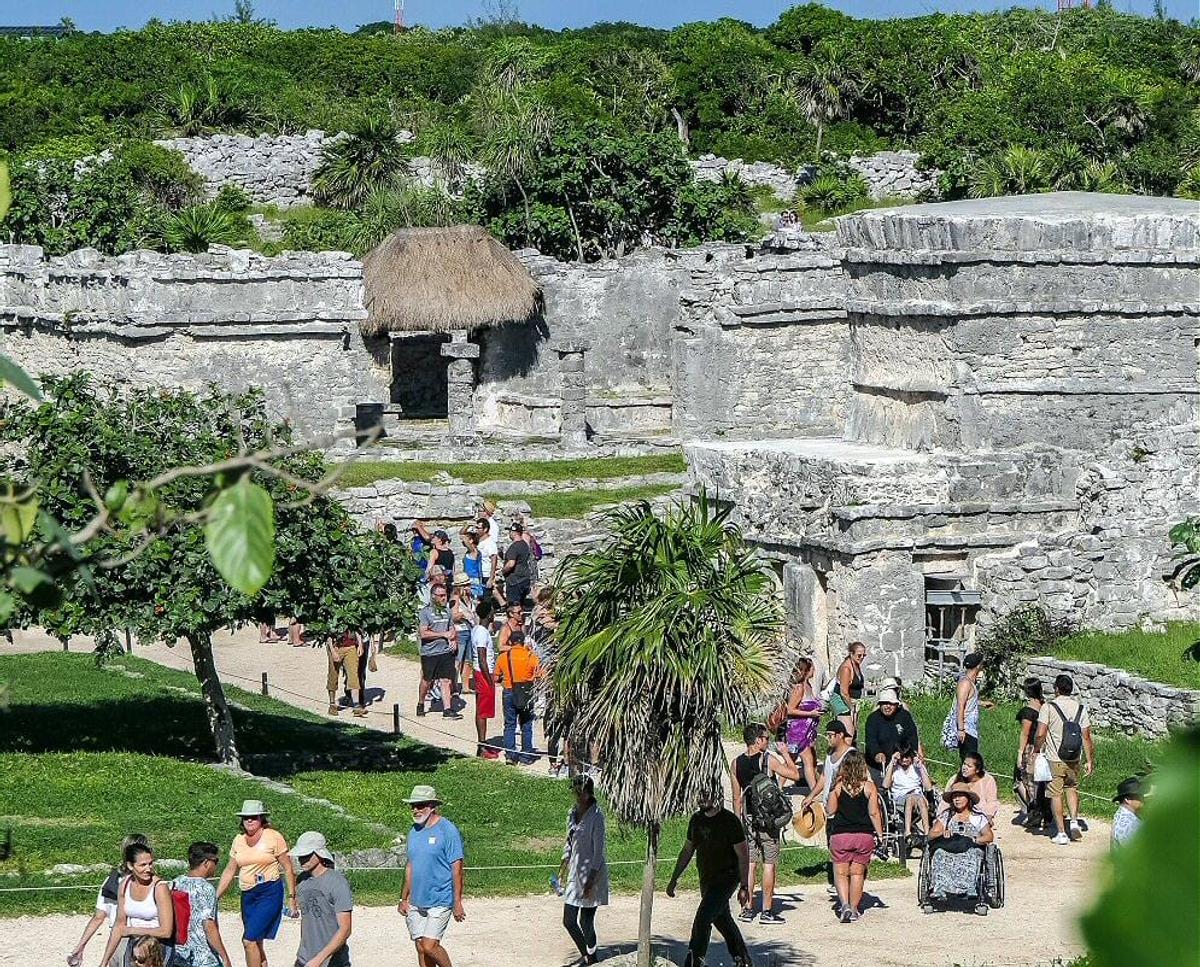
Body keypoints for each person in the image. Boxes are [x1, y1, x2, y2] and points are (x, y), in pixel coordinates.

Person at [666, 787, 752, 967]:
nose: (700, 799)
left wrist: (744, 886)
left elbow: (743, 855)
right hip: (706, 879)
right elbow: (687, 850)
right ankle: (743, 959)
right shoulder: (696, 820)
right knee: (722, 919)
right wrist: (674, 878)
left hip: (727, 878)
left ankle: (694, 961)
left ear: (716, 796)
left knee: (703, 919)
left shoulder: (730, 821)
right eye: (699, 795)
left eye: (705, 795)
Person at [730, 723, 799, 924]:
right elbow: (795, 775)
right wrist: (786, 754)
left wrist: (739, 823)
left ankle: (747, 908)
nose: (768, 742)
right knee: (769, 863)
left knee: (750, 864)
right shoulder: (768, 759)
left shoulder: (736, 764)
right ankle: (767, 911)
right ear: (758, 740)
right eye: (766, 738)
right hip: (768, 819)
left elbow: (736, 798)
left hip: (749, 818)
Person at [217, 801, 298, 967]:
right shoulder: (238, 840)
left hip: (269, 892)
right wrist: (216, 895)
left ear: (262, 818)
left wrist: (291, 897)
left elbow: (288, 868)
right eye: (246, 817)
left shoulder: (274, 837)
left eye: (253, 817)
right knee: (256, 943)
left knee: (249, 940)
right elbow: (230, 870)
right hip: (248, 894)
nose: (249, 821)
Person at [398, 785, 465, 967]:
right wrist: (403, 897)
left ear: (433, 806)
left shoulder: (448, 830)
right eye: (413, 805)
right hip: (416, 900)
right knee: (420, 946)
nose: (416, 809)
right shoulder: (414, 831)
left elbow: (457, 867)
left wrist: (457, 902)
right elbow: (410, 866)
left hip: (440, 898)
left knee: (430, 946)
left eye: (421, 805)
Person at [69, 833, 149, 967]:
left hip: (116, 943)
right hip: (141, 941)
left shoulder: (111, 881)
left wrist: (80, 946)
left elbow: (98, 918)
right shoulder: (152, 884)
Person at [1035, 674, 1095, 845]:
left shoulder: (1048, 707)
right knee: (1072, 788)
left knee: (1055, 793)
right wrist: (1090, 760)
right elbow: (1087, 737)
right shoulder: (1080, 708)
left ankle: (1061, 832)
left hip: (1055, 757)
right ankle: (1074, 821)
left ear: (1056, 689)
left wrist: (1037, 749)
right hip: (1074, 757)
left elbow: (1040, 733)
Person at [827, 750, 884, 923]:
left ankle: (843, 905)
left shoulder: (838, 786)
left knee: (841, 872)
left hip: (841, 834)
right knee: (857, 873)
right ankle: (853, 909)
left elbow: (830, 811)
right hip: (863, 835)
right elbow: (874, 813)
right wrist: (880, 835)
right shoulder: (869, 786)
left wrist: (832, 789)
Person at [800, 720, 855, 897]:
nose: (829, 739)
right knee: (832, 844)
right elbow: (824, 777)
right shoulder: (831, 754)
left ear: (840, 735)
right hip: (829, 807)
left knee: (842, 845)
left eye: (831, 735)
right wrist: (811, 796)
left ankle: (845, 879)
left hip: (844, 807)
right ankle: (836, 878)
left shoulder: (850, 755)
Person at [97, 843, 175, 967]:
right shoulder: (125, 884)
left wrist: (131, 930)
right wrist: (104, 961)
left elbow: (166, 931)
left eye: (150, 863)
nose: (148, 869)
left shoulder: (160, 888)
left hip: (156, 945)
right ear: (130, 865)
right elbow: (119, 925)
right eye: (143, 865)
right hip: (133, 944)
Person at [559, 775, 608, 966]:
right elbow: (569, 841)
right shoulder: (572, 813)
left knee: (586, 921)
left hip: (592, 873)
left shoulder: (597, 817)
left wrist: (590, 881)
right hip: (575, 873)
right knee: (569, 920)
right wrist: (564, 862)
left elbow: (598, 852)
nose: (576, 795)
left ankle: (592, 956)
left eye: (579, 791)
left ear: (587, 793)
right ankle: (586, 955)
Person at [927, 783, 994, 911]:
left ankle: (970, 888)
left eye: (960, 796)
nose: (957, 799)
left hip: (970, 847)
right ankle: (939, 888)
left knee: (973, 854)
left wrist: (975, 839)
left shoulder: (977, 817)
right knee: (939, 853)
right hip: (950, 847)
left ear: (968, 799)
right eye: (954, 796)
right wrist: (942, 832)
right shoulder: (946, 816)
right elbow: (931, 835)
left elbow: (989, 836)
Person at [292, 831, 354, 967]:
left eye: (307, 854)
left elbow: (345, 929)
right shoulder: (301, 880)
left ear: (320, 854)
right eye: (300, 855)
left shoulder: (338, 882)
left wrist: (319, 959)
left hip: (332, 962)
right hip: (304, 959)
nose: (301, 858)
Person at [172, 842, 233, 967]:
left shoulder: (175, 883)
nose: (216, 865)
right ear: (206, 863)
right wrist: (224, 957)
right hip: (204, 958)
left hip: (180, 955)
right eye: (215, 861)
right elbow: (208, 926)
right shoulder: (206, 889)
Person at [495, 608, 541, 765]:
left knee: (509, 724)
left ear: (511, 642)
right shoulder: (531, 656)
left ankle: (510, 755)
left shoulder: (503, 657)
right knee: (526, 725)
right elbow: (540, 674)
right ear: (523, 641)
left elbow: (496, 677)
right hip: (527, 691)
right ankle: (526, 755)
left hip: (509, 690)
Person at [417, 583, 463, 720]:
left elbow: (452, 628)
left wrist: (453, 638)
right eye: (441, 596)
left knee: (446, 680)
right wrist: (443, 634)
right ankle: (420, 703)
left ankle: (447, 709)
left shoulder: (447, 611)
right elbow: (423, 633)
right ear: (433, 596)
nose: (444, 598)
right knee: (427, 680)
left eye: (445, 595)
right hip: (430, 652)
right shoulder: (425, 612)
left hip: (445, 651)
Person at [864, 687, 922, 783]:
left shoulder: (904, 716)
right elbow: (870, 741)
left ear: (896, 704)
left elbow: (912, 737)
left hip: (901, 762)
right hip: (878, 766)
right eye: (884, 703)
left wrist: (912, 753)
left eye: (890, 703)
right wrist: (876, 753)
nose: (887, 706)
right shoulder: (873, 719)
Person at [783, 656, 824, 793]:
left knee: (796, 759)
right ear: (806, 671)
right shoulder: (799, 688)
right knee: (805, 760)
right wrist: (810, 714)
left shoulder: (809, 686)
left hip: (807, 731)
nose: (814, 670)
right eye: (812, 668)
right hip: (798, 730)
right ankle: (813, 790)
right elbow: (790, 709)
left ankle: (778, 784)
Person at [1014, 677, 1049, 830]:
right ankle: (1044, 814)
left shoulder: (1028, 711)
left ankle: (1034, 811)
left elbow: (1025, 734)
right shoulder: (1045, 705)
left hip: (1032, 749)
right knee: (1042, 783)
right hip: (1046, 748)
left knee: (1023, 781)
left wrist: (1020, 753)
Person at [882, 746, 932, 844]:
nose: (904, 759)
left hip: (918, 796)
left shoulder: (917, 767)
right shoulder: (894, 768)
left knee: (920, 799)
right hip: (900, 799)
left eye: (907, 757)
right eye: (902, 757)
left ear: (912, 757)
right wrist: (892, 763)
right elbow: (885, 785)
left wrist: (921, 767)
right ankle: (908, 832)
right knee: (910, 798)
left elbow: (928, 787)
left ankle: (927, 833)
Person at [470, 598, 499, 759]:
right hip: (483, 673)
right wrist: (489, 679)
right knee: (483, 710)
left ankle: (483, 744)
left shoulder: (477, 630)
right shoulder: (481, 632)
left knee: (480, 709)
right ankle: (482, 747)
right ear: (489, 614)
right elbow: (482, 657)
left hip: (479, 672)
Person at [948, 652, 986, 760]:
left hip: (971, 729)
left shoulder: (970, 682)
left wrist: (982, 703)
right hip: (966, 730)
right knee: (970, 761)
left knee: (971, 761)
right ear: (978, 666)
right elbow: (960, 706)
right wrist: (961, 729)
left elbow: (968, 701)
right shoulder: (965, 683)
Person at [326, 631, 367, 718]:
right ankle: (332, 704)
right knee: (333, 675)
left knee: (353, 675)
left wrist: (360, 644)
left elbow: (356, 629)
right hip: (335, 647)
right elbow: (328, 634)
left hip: (351, 647)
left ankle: (356, 706)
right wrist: (332, 651)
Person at [830, 642, 866, 737]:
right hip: (843, 701)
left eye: (864, 655)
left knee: (854, 732)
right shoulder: (846, 668)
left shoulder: (856, 665)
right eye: (859, 655)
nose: (861, 657)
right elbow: (844, 692)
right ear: (851, 654)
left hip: (853, 701)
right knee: (848, 734)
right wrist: (852, 708)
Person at [450, 573, 477, 698]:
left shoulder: (470, 598)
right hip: (460, 631)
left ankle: (465, 686)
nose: (469, 587)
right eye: (466, 585)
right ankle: (454, 687)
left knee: (469, 660)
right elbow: (453, 616)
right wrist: (463, 615)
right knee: (457, 660)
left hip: (470, 630)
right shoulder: (455, 598)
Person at [956, 751, 1000, 823]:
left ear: (977, 770)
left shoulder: (988, 780)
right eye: (964, 764)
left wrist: (988, 816)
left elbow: (991, 801)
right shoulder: (956, 778)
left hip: (980, 816)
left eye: (969, 766)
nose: (964, 768)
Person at [502, 521, 533, 607]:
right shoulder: (524, 545)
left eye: (510, 532)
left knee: (513, 606)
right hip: (525, 578)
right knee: (521, 606)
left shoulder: (514, 547)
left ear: (513, 533)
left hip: (514, 581)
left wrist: (503, 571)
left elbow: (511, 563)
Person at [1111, 777, 1145, 847]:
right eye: (1139, 796)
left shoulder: (1125, 813)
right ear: (1127, 799)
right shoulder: (1128, 826)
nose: (1143, 798)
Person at [474, 514, 500, 599]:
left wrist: (491, 578)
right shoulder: (477, 541)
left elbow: (494, 560)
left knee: (486, 598)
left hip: (486, 574)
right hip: (478, 573)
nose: (476, 530)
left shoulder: (490, 543)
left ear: (485, 529)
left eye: (479, 528)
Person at [460, 527, 485, 599]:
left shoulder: (474, 551)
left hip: (473, 579)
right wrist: (466, 526)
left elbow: (462, 535)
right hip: (468, 578)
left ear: (471, 540)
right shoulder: (470, 552)